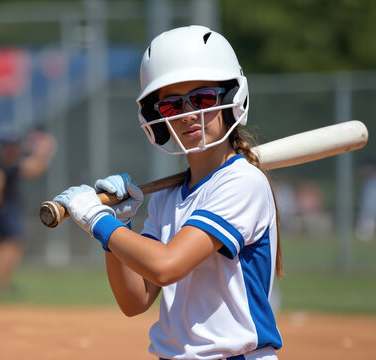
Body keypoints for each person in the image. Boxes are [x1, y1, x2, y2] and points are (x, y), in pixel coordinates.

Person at [54, 25, 283, 360]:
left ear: (231, 97)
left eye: (203, 98)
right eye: (172, 106)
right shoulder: (167, 197)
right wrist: (119, 227)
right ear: (158, 118)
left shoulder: (242, 182)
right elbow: (135, 301)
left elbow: (167, 266)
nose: (189, 114)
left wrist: (97, 219)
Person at [0, 127, 56, 295]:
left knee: (5, 244)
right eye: (9, 145)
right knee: (13, 243)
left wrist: (44, 154)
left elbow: (33, 169)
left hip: (5, 209)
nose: (13, 149)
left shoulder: (10, 163)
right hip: (3, 209)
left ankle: (0, 283)